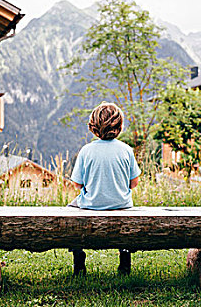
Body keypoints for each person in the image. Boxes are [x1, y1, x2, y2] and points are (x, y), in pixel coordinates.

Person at [68, 102, 141, 276]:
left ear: (93, 127)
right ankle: (124, 258)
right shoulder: (126, 150)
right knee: (125, 218)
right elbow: (134, 183)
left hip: (91, 204)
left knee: (70, 212)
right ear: (120, 126)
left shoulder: (86, 151)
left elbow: (77, 184)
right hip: (121, 204)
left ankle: (78, 259)